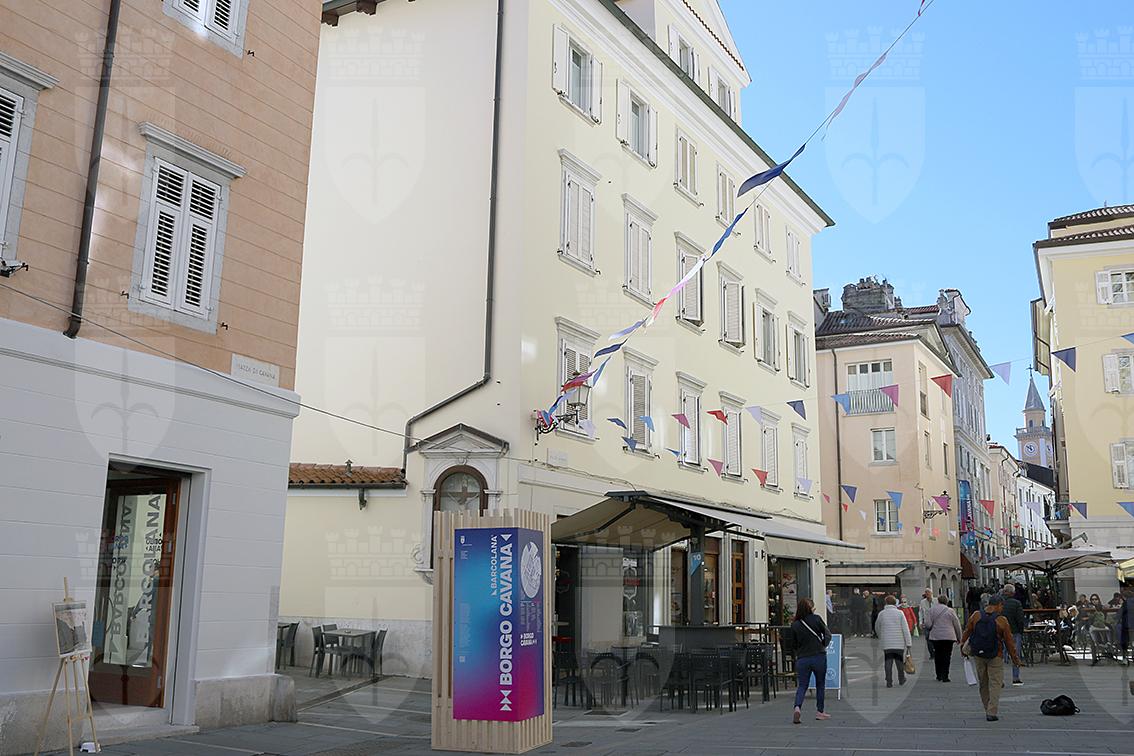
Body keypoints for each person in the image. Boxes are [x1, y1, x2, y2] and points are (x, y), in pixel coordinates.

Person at [961, 594, 1024, 721]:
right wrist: (1015, 659)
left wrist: (963, 646)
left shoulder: (976, 615)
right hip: (996, 655)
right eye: (1002, 606)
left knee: (983, 683)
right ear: (998, 605)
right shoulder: (1002, 620)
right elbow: (1009, 642)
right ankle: (992, 711)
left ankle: (987, 708)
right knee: (996, 683)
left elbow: (967, 631)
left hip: (978, 654)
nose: (1002, 608)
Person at [782, 597, 832, 724]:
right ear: (810, 608)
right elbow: (828, 634)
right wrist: (823, 644)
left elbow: (793, 644)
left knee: (802, 685)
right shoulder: (816, 619)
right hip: (818, 656)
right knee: (820, 684)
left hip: (803, 658)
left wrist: (798, 652)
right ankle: (820, 712)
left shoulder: (795, 624)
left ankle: (797, 707)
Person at [875, 595, 913, 687]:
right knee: (899, 663)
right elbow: (905, 629)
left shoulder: (882, 614)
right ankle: (901, 679)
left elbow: (877, 627)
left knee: (888, 662)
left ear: (886, 603)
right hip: (899, 643)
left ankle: (889, 681)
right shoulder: (900, 613)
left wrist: (881, 636)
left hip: (887, 643)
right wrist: (908, 643)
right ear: (895, 603)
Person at [924, 594, 963, 682]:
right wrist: (959, 637)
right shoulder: (951, 611)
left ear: (938, 601)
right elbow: (957, 625)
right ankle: (945, 676)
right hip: (949, 637)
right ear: (947, 601)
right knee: (947, 656)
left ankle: (939, 675)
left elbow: (928, 624)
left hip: (936, 637)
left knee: (938, 655)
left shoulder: (932, 610)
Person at [1000, 584, 1026, 686]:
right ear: (1013, 593)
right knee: (1015, 655)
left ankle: (1000, 679)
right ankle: (1016, 678)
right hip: (1014, 632)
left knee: (1000, 656)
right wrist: (1020, 631)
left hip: (1000, 632)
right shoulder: (1016, 603)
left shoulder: (999, 603)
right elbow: (1020, 619)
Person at [918, 588, 935, 659]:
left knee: (935, 638)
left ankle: (936, 651)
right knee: (928, 638)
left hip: (935, 623)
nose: (927, 595)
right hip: (927, 623)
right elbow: (920, 613)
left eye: (929, 593)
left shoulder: (936, 601)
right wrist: (920, 622)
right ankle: (932, 654)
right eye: (926, 593)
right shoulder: (922, 602)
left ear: (931, 594)